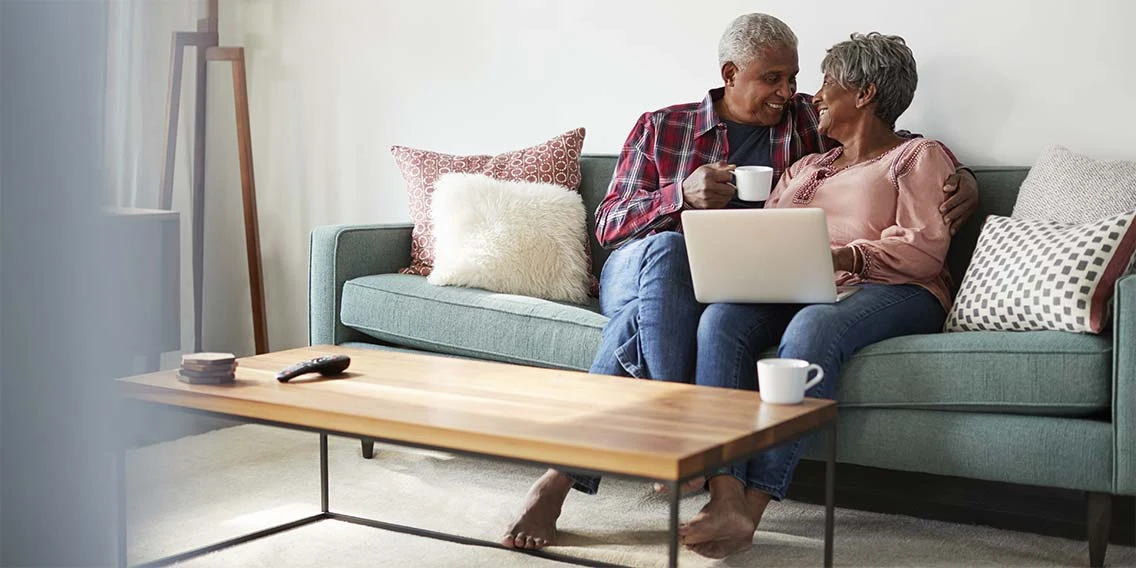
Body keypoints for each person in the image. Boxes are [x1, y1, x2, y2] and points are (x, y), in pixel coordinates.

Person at [500, 13, 978, 552]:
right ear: (731, 73)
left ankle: (690, 484)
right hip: (642, 264)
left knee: (694, 318)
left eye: (800, 79)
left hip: (827, 282)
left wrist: (968, 183)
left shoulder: (814, 130)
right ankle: (688, 442)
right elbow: (608, 225)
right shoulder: (667, 127)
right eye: (773, 79)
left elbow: (902, 166)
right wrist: (680, 196)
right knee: (669, 249)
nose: (796, 93)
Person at [678, 31, 957, 558]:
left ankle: (753, 506)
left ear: (866, 92)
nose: (814, 97)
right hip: (801, 283)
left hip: (895, 287)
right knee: (721, 318)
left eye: (827, 83)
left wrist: (846, 257)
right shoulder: (808, 166)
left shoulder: (918, 156)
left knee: (814, 327)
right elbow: (767, 237)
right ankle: (725, 490)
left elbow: (925, 250)